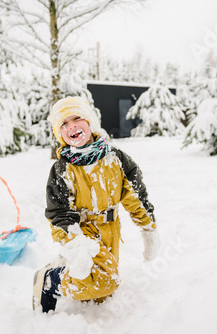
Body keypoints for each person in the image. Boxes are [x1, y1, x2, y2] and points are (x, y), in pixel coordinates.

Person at [33, 97, 160, 312]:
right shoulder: (62, 169)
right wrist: (77, 246)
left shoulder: (116, 159)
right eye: (63, 124)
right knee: (105, 282)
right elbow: (59, 215)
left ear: (90, 122)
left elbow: (136, 195)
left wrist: (148, 228)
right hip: (83, 235)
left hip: (111, 231)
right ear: (59, 133)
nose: (71, 125)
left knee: (103, 293)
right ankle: (51, 281)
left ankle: (65, 268)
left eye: (76, 118)